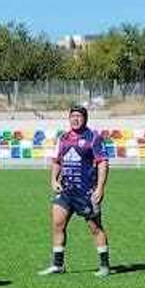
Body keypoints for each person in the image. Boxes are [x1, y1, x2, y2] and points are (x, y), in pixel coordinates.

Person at [40, 105, 112, 278]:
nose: (75, 119)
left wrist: (100, 188)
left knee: (95, 228)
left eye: (79, 116)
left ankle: (104, 265)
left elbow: (103, 163)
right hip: (66, 191)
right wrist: (53, 180)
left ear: (85, 119)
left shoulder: (93, 138)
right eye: (73, 116)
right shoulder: (63, 138)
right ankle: (58, 265)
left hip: (86, 192)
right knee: (57, 224)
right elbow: (57, 161)